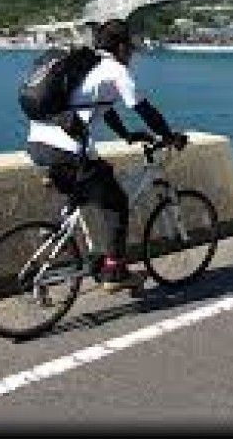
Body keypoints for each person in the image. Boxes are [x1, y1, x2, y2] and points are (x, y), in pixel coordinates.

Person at [26, 19, 187, 293]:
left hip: (38, 143)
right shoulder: (115, 71)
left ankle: (56, 237)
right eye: (132, 49)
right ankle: (114, 271)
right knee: (115, 202)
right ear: (122, 47)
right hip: (66, 150)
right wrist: (169, 136)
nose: (133, 55)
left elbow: (105, 108)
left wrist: (126, 135)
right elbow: (144, 108)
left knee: (88, 185)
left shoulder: (89, 65)